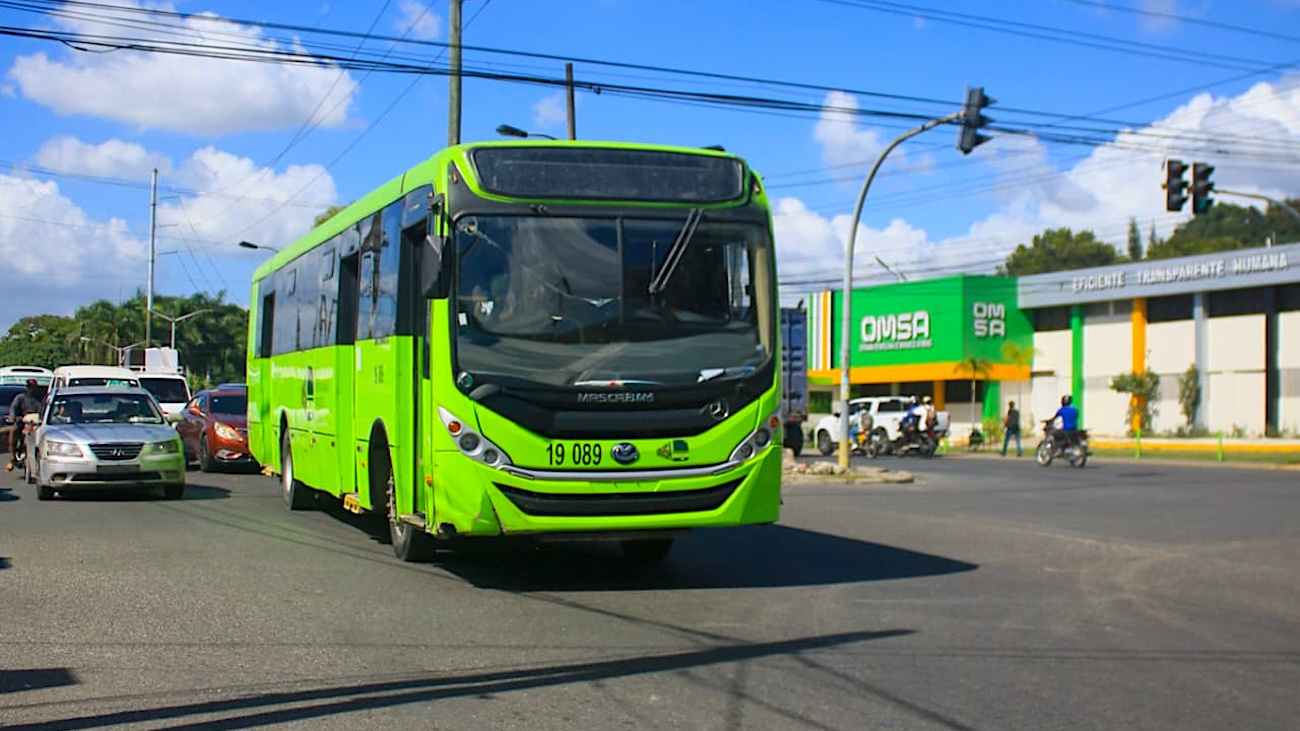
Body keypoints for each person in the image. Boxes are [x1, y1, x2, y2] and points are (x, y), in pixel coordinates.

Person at [6, 379, 43, 471]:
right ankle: (12, 456)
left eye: (33, 387)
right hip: (23, 420)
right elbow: (13, 408)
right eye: (29, 387)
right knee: (14, 429)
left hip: (37, 422)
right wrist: (13, 416)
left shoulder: (42, 398)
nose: (31, 389)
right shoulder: (21, 397)